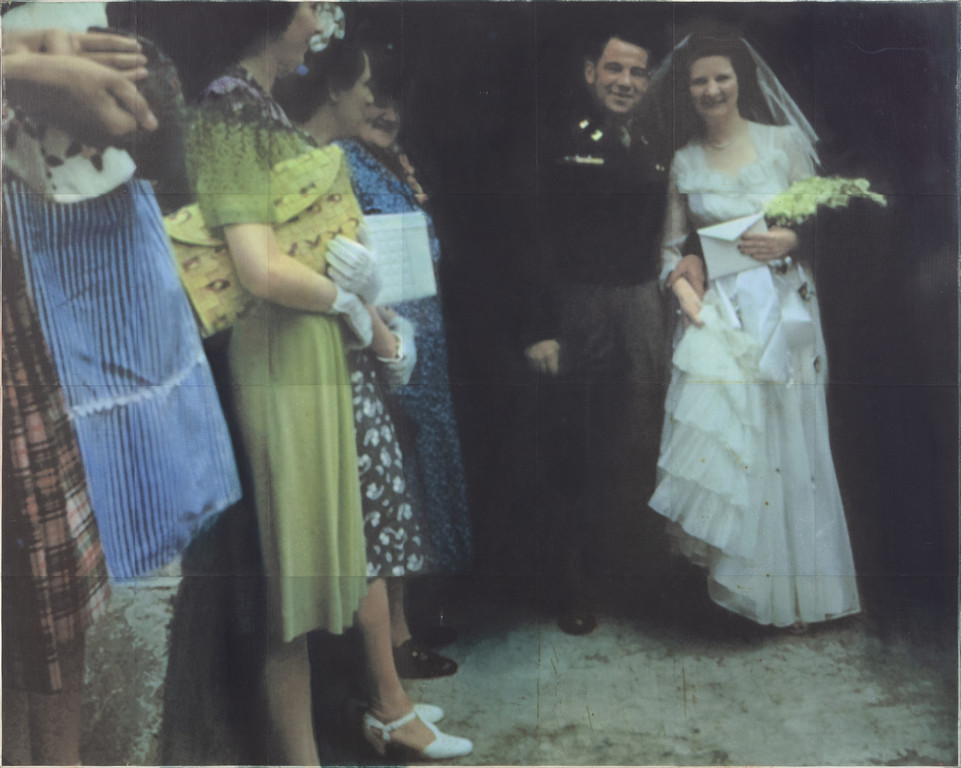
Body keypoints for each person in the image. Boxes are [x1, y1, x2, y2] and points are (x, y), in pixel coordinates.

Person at [184, 4, 470, 761]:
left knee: (326, 564)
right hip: (282, 356)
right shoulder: (228, 105)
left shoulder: (259, 103)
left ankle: (366, 718)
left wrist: (359, 302)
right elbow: (257, 266)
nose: (320, 23)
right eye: (310, 7)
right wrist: (344, 298)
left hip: (314, 349)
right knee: (297, 575)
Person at [3, 2, 242, 584]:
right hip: (27, 219)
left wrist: (56, 55)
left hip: (111, 206)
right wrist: (31, 67)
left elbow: (144, 129)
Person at [648, 30, 861, 629]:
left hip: (785, 304)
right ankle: (745, 588)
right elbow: (669, 250)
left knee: (790, 434)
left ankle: (803, 594)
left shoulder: (782, 142)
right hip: (722, 312)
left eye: (722, 77)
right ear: (687, 90)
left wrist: (791, 238)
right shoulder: (685, 161)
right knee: (738, 440)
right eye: (699, 81)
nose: (712, 90)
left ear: (741, 81)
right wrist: (685, 292)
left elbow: (826, 223)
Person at [1, 21, 164, 765]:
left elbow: (137, 124)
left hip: (19, 331)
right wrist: (36, 68)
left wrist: (38, 59)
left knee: (44, 587)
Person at [521, 25, 672, 634]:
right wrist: (539, 327)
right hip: (578, 308)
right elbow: (533, 237)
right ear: (590, 73)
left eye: (637, 72)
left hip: (640, 307)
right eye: (615, 69)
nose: (626, 82)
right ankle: (574, 586)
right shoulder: (559, 140)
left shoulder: (656, 141)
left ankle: (629, 580)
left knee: (634, 443)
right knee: (575, 448)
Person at [333, 41, 471, 678]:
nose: (386, 111)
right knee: (397, 487)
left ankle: (409, 620)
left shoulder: (391, 160)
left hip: (421, 343)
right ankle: (396, 641)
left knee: (415, 479)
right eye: (375, 97)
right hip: (385, 343)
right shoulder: (343, 161)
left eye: (396, 100)